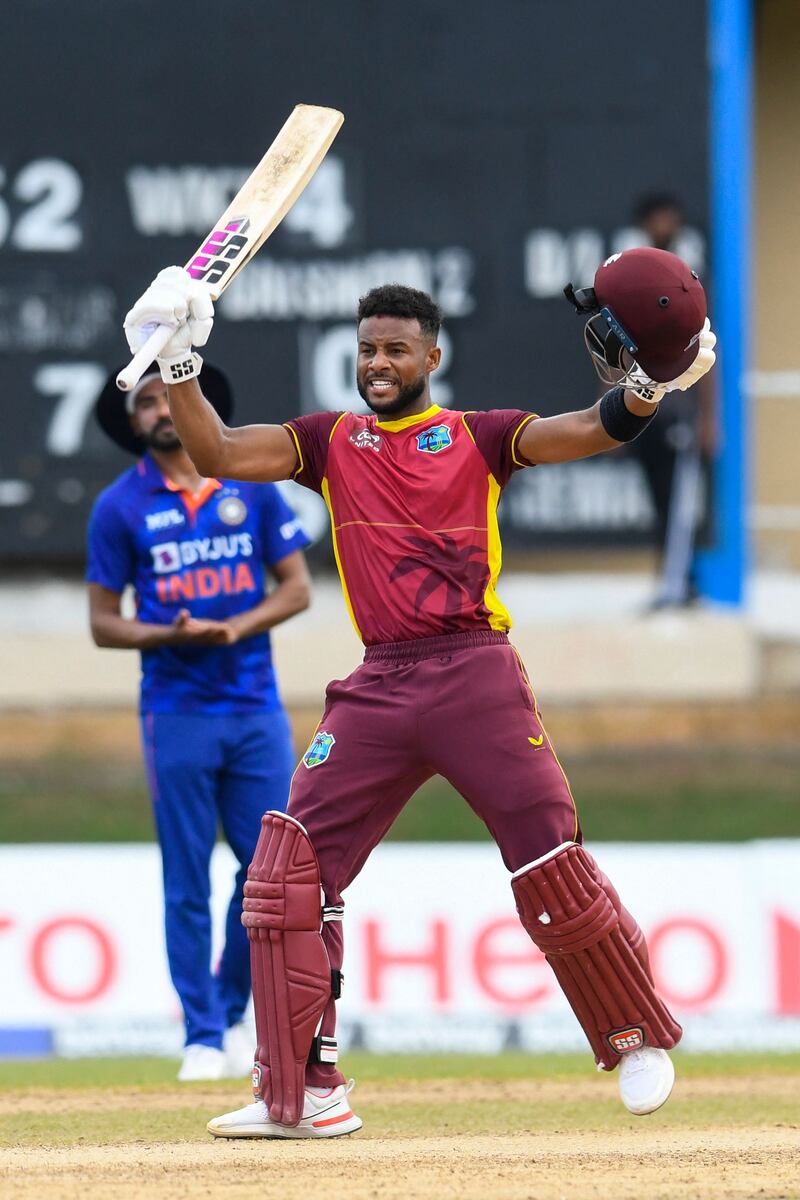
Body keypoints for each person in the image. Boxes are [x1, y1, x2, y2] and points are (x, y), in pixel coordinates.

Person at [120, 248, 715, 1135]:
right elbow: (212, 449)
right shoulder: (329, 441)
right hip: (380, 684)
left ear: (431, 358)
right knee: (288, 868)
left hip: (475, 672)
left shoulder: (481, 435)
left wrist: (650, 389)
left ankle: (633, 1037)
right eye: (367, 350)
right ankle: (303, 1093)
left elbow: (589, 429)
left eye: (395, 351)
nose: (377, 365)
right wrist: (179, 365)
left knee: (549, 853)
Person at [86, 361, 312, 1081]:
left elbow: (299, 589)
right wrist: (167, 635)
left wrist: (237, 625)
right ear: (132, 423)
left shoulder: (251, 485)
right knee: (186, 878)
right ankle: (200, 1034)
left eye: (167, 397)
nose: (157, 410)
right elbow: (101, 623)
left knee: (265, 875)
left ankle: (235, 1009)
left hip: (254, 708)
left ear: (198, 405)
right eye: (143, 403)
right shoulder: (119, 508)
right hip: (175, 710)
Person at [625, 194, 717, 607]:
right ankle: (675, 581)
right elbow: (617, 352)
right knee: (661, 500)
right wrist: (611, 412)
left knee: (682, 501)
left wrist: (708, 417)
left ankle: (679, 586)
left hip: (680, 407)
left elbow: (709, 349)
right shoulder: (629, 284)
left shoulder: (690, 284)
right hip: (644, 406)